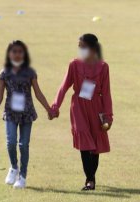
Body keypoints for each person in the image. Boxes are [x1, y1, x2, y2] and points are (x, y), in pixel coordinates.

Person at [51, 33, 113, 190]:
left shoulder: (103, 67)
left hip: (96, 107)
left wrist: (108, 117)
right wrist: (55, 106)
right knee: (85, 140)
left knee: (95, 143)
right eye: (79, 47)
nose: (80, 50)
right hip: (78, 106)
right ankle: (89, 179)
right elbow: (64, 86)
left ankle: (91, 177)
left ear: (92, 49)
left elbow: (106, 93)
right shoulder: (74, 64)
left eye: (83, 47)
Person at [0, 40, 53, 189]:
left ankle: (22, 177)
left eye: (20, 52)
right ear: (9, 54)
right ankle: (14, 167)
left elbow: (38, 93)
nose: (17, 54)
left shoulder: (30, 72)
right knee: (11, 143)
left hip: (27, 113)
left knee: (24, 145)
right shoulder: (4, 73)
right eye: (14, 51)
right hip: (11, 113)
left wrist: (48, 109)